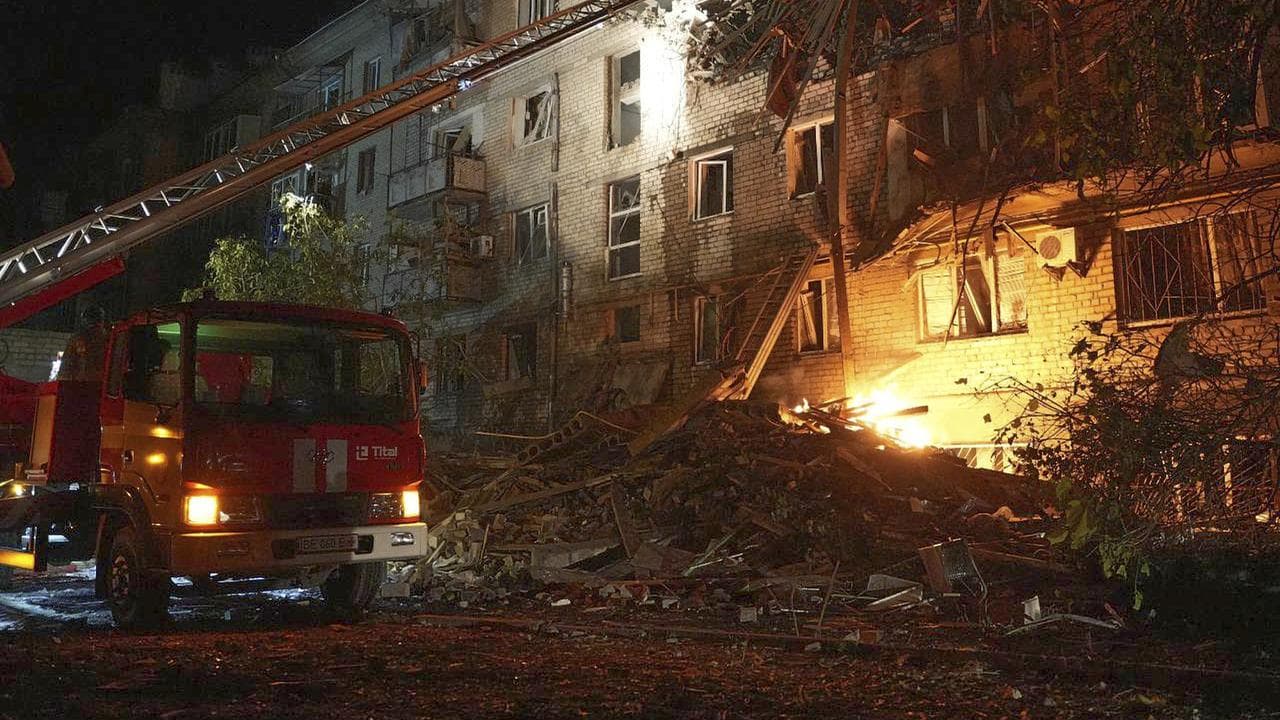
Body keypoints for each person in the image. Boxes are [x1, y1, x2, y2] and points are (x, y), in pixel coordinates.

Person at [58, 306, 110, 382]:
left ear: (85, 320)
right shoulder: (110, 338)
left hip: (82, 385)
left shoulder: (78, 339)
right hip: (104, 386)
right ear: (102, 320)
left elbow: (66, 368)